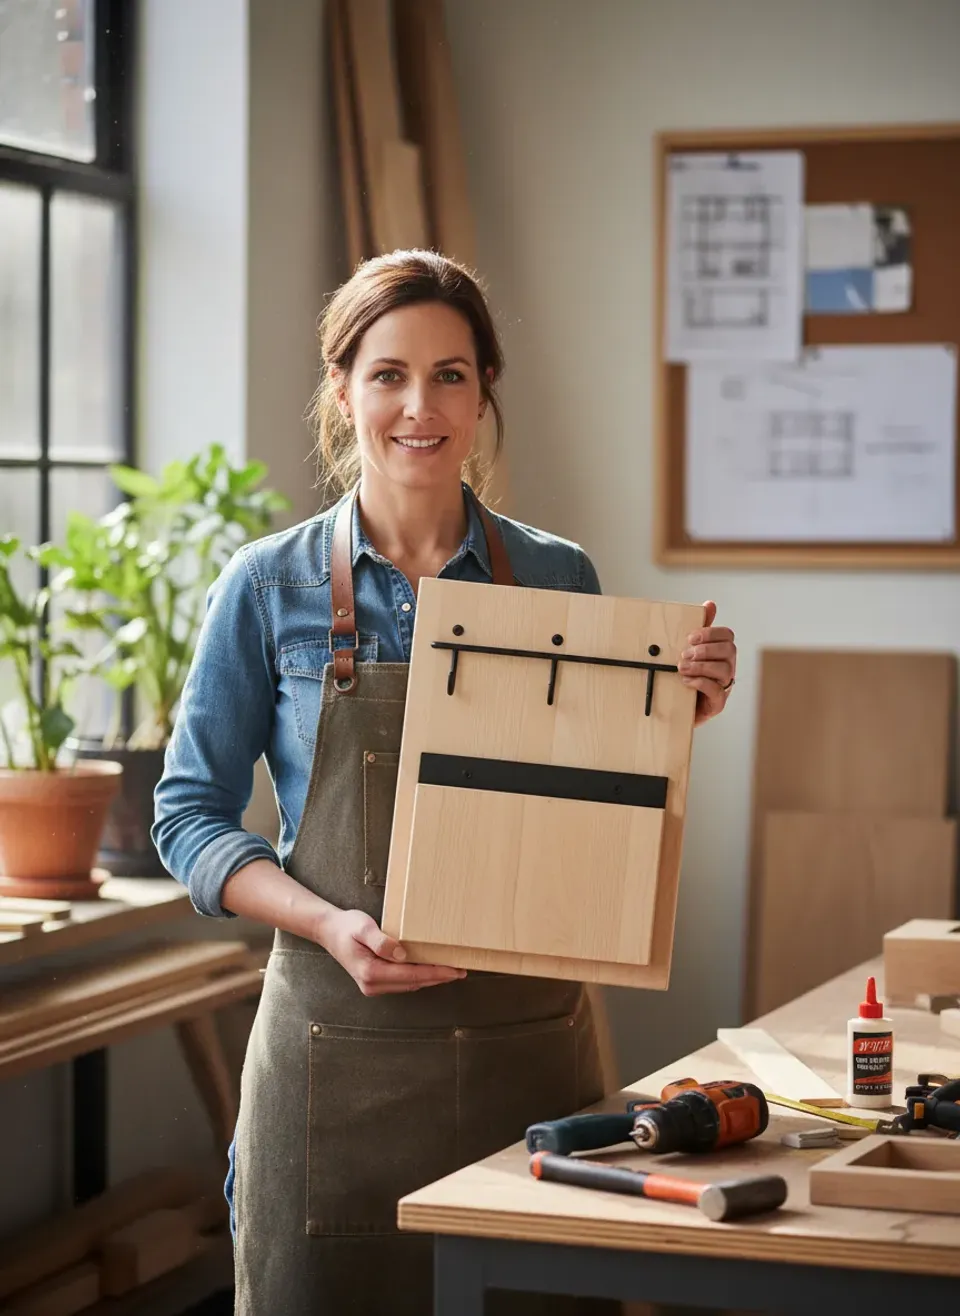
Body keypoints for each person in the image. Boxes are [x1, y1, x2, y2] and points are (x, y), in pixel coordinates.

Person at [152, 249, 737, 1315]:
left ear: (484, 392)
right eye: (388, 374)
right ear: (343, 389)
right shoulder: (265, 586)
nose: (420, 406)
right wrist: (328, 924)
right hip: (333, 1055)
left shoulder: (559, 575)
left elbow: (593, 806)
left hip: (531, 1062)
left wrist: (674, 710)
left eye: (451, 374)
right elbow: (186, 815)